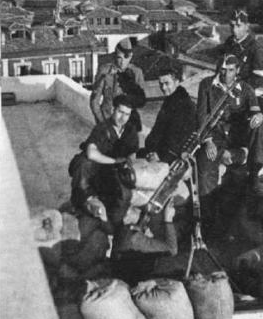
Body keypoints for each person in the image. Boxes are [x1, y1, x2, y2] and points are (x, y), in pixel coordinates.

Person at [196, 54, 263, 205]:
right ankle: (207, 208)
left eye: (230, 70)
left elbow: (255, 110)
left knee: (258, 122)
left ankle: (254, 171)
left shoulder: (246, 89)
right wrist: (208, 141)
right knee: (205, 170)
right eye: (222, 70)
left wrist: (259, 116)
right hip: (214, 136)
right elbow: (201, 116)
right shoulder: (207, 85)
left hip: (236, 136)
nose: (226, 74)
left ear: (237, 70)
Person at [70, 94, 139, 225]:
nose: (123, 118)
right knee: (83, 163)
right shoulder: (102, 128)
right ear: (113, 109)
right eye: (120, 112)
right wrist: (114, 161)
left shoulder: (130, 130)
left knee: (124, 197)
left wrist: (127, 164)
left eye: (127, 114)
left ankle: (114, 222)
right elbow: (91, 153)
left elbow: (132, 152)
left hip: (117, 172)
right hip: (100, 172)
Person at [137, 64, 197, 164]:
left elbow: (178, 138)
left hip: (169, 155)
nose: (163, 88)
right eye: (161, 84)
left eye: (167, 83)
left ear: (177, 82)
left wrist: (160, 155)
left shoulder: (184, 105)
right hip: (158, 150)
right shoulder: (171, 99)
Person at [90, 37, 146, 132]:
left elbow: (140, 102)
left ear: (131, 56)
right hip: (108, 121)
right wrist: (103, 124)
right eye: (120, 58)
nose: (123, 62)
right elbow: (94, 101)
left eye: (126, 58)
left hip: (128, 125)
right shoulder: (105, 71)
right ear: (115, 56)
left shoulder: (136, 73)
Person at [219, 9, 263, 89]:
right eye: (232, 26)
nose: (234, 30)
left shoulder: (255, 49)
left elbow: (259, 79)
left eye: (238, 26)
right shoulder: (230, 41)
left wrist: (237, 88)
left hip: (242, 93)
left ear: (247, 26)